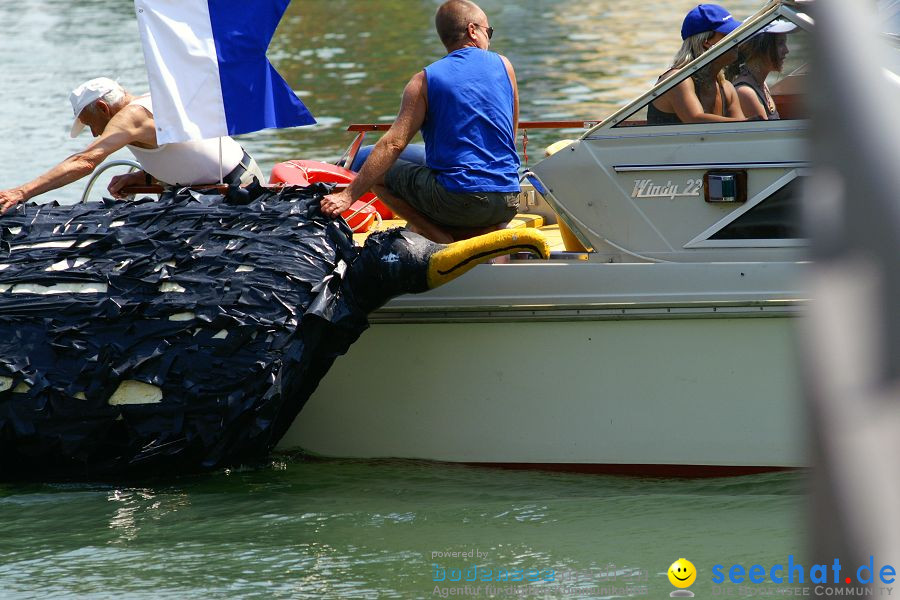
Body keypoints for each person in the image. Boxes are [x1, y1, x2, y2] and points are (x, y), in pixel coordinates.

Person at [320, 0, 520, 244]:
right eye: (489, 32)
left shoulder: (423, 81)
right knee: (438, 173)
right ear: (472, 30)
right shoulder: (505, 66)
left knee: (373, 169)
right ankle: (483, 227)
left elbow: (393, 145)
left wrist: (348, 196)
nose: (489, 39)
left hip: (462, 202)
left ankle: (440, 238)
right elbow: (510, 133)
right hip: (509, 199)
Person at [0, 77, 263, 214]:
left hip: (235, 189)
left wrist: (22, 192)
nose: (94, 133)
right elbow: (185, 154)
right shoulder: (145, 107)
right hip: (211, 185)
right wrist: (142, 177)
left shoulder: (133, 116)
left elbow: (85, 161)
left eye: (91, 123)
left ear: (103, 107)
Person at [648, 4, 746, 124]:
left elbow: (743, 129)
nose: (736, 40)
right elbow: (694, 120)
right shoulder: (678, 80)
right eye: (728, 34)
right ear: (706, 42)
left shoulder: (727, 88)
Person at [727, 21, 794, 120]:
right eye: (780, 43)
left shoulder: (761, 84)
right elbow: (770, 133)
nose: (786, 50)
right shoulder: (746, 93)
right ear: (760, 49)